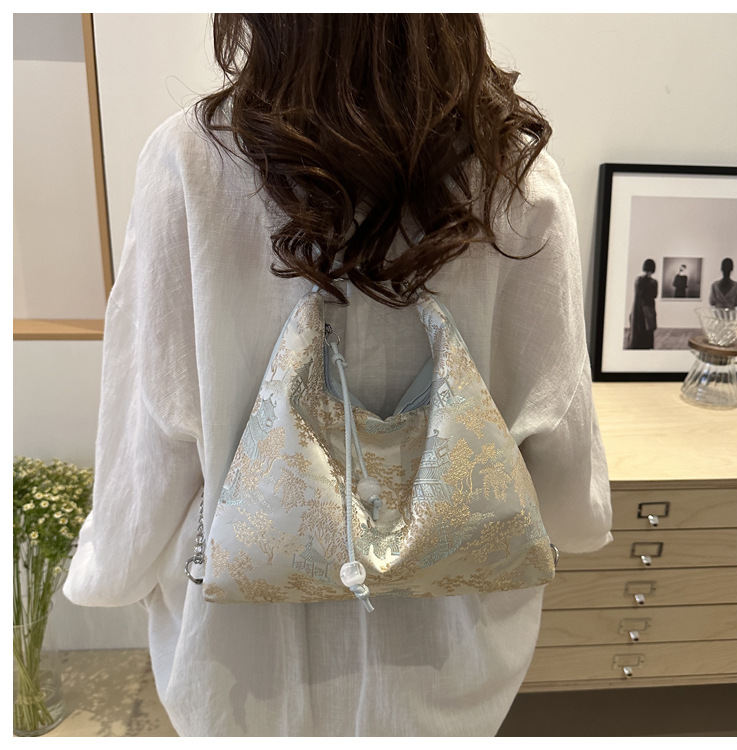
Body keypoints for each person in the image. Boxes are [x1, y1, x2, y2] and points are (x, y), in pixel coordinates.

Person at [64, 14, 612, 737]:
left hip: (238, 657)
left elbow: (154, 425)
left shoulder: (191, 162)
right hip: (450, 644)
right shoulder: (516, 175)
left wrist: (112, 569)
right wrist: (578, 520)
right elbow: (557, 419)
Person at [628, 258, 658, 349]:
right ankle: (646, 346)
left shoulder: (638, 280)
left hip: (637, 309)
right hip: (648, 309)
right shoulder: (653, 282)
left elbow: (639, 294)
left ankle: (635, 345)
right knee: (647, 328)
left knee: (638, 329)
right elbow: (654, 295)